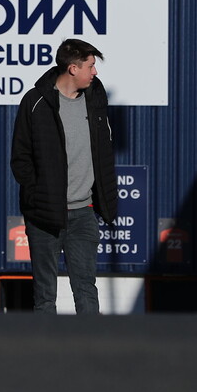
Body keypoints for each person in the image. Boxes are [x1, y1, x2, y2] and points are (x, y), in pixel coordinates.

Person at [10, 39, 118, 315]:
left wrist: (105, 199)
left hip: (84, 213)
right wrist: (38, 195)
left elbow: (104, 152)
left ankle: (92, 354)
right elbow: (20, 157)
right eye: (91, 66)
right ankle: (47, 354)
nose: (95, 72)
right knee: (45, 296)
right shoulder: (35, 102)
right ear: (73, 68)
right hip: (44, 215)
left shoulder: (96, 98)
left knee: (86, 290)